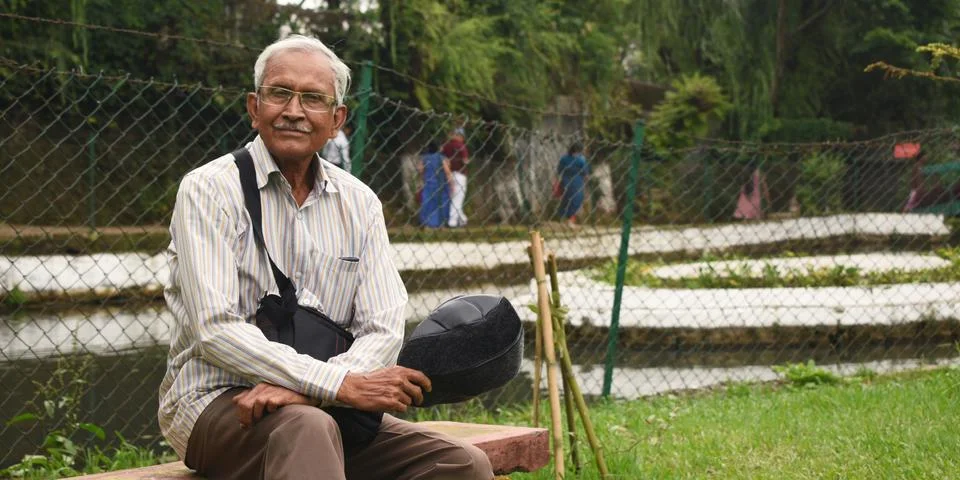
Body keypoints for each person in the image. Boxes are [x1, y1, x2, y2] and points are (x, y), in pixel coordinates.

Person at [159, 35, 493, 480]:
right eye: (280, 93)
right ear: (254, 108)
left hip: (330, 406)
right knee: (307, 428)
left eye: (313, 99)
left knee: (461, 464)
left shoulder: (360, 203)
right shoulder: (209, 190)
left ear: (336, 120)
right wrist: (332, 386)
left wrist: (314, 390)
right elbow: (214, 329)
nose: (294, 111)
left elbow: (383, 326)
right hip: (217, 403)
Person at [556, 142, 590, 227]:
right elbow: (585, 173)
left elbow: (559, 170)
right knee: (576, 200)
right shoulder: (581, 160)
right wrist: (586, 179)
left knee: (567, 200)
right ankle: (570, 220)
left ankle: (565, 219)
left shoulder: (564, 159)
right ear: (578, 150)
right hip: (577, 182)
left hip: (566, 181)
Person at [417, 142, 450, 228]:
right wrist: (450, 182)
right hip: (440, 184)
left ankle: (427, 224)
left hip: (428, 184)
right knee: (441, 204)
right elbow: (447, 171)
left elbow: (420, 170)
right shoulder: (441, 158)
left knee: (427, 204)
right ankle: (440, 224)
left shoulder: (424, 158)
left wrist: (422, 178)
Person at [442, 128, 470, 228]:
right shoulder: (461, 146)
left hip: (448, 173)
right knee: (458, 198)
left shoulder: (446, 146)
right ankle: (452, 222)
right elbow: (465, 160)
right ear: (460, 136)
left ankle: (463, 220)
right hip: (460, 174)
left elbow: (443, 158)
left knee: (454, 198)